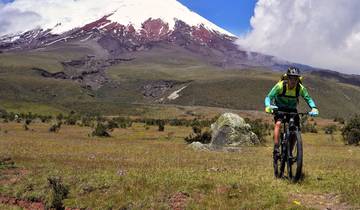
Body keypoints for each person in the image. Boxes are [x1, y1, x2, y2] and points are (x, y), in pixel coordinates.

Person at [264, 67, 319, 157]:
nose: (293, 81)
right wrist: (268, 106)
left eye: (295, 78)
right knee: (278, 124)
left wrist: (314, 108)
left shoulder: (300, 88)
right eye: (291, 78)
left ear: (298, 79)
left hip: (292, 110)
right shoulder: (280, 86)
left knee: (296, 129)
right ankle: (276, 148)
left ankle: (289, 151)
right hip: (279, 108)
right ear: (287, 78)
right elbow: (269, 97)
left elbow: (308, 98)